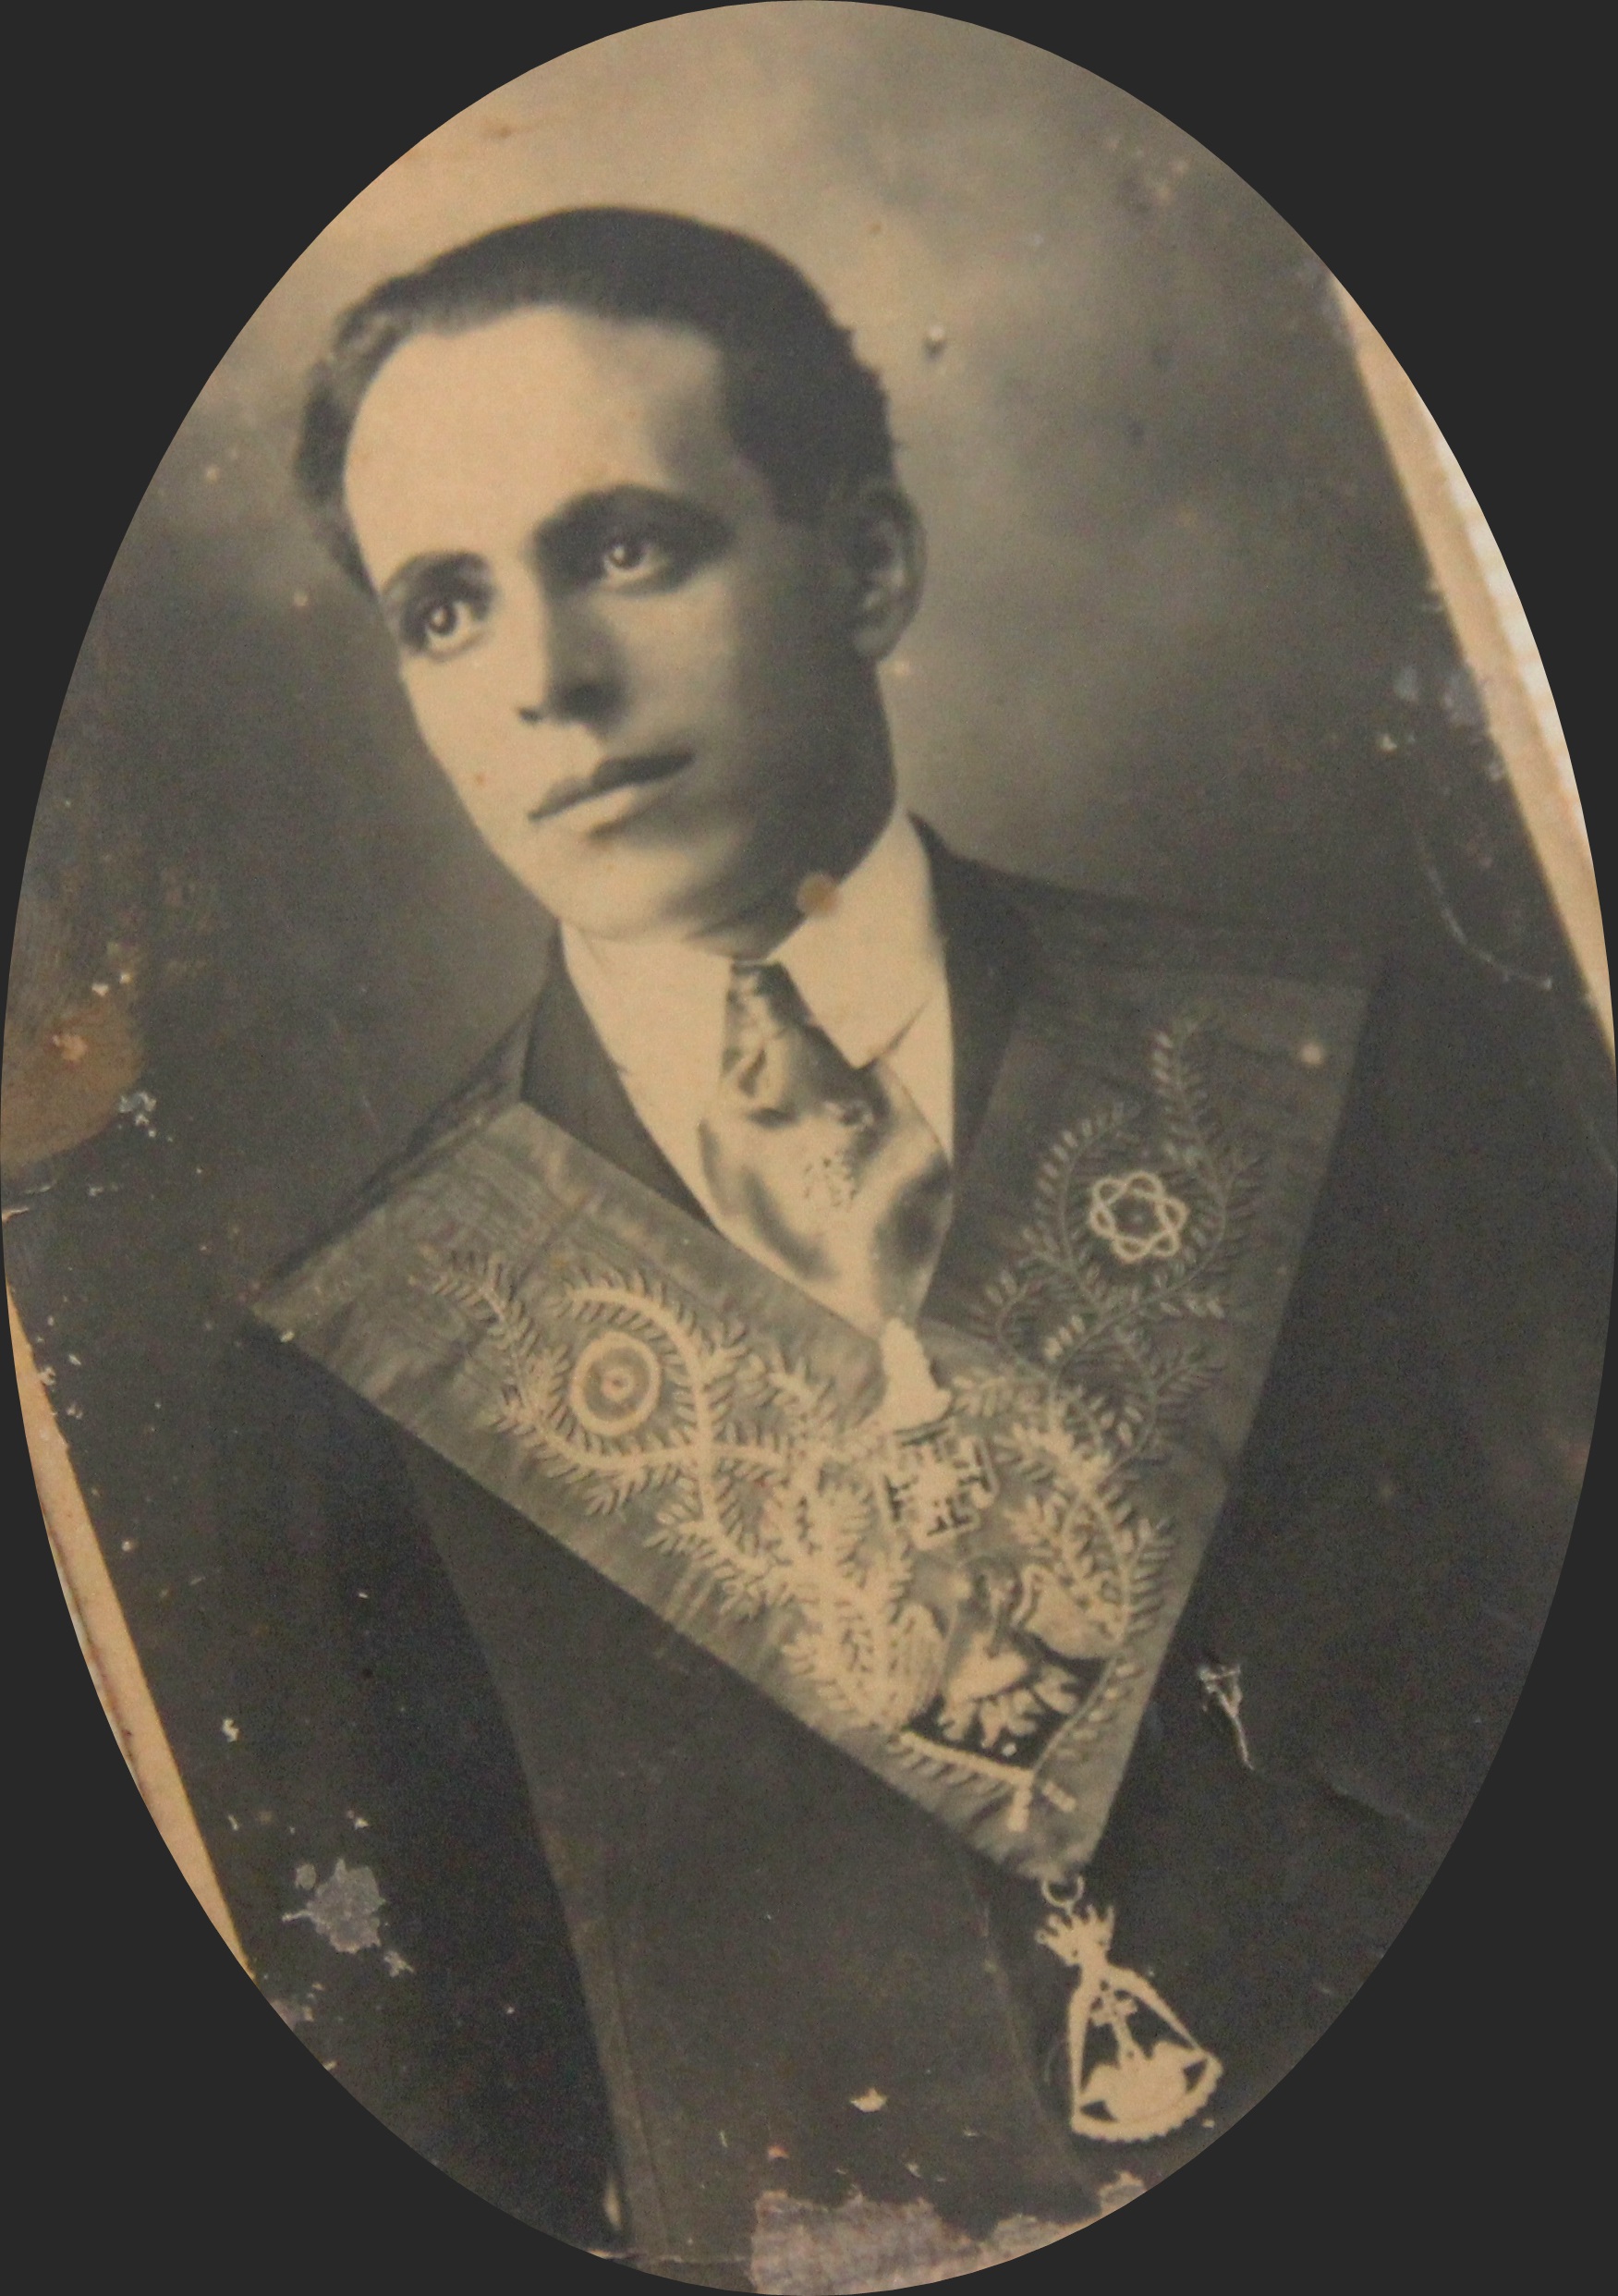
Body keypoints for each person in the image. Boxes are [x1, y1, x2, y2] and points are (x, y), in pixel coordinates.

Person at [210, 210, 1595, 2289]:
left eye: (624, 548)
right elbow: (438, 2105)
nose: (546, 684)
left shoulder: (1360, 1060)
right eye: (446, 608)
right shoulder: (356, 1352)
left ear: (865, 566)